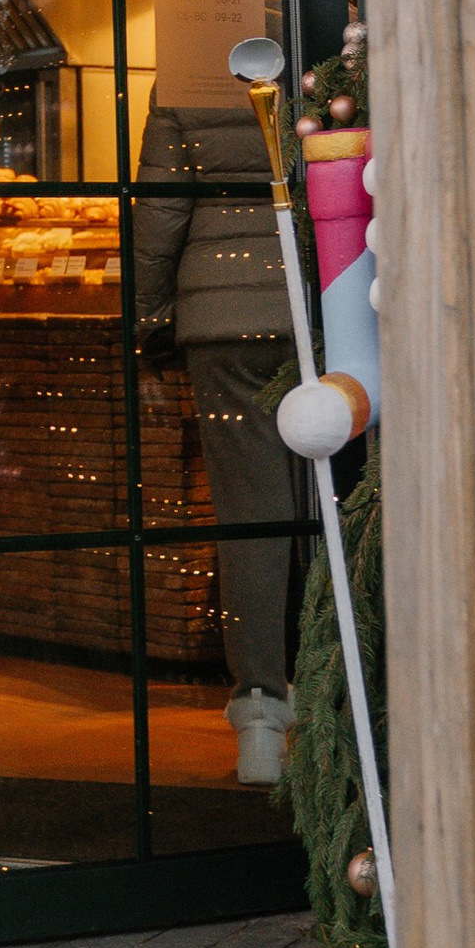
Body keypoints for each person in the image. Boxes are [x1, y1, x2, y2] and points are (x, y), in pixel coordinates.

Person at [132, 94, 306, 788]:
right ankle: (351, 689)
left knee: (251, 516)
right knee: (340, 506)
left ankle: (261, 712)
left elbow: (159, 214)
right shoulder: (340, 46)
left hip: (223, 319)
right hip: (324, 303)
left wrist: (151, 321)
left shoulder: (186, 70)